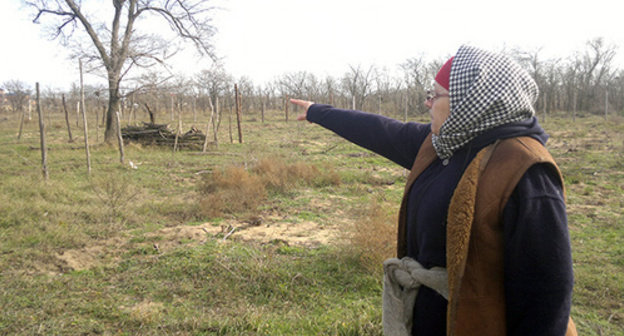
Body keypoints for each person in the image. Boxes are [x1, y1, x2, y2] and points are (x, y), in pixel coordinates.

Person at [290, 45, 576, 336]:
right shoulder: (443, 145)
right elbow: (382, 131)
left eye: (435, 95)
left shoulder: (525, 168)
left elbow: (548, 290)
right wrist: (317, 112)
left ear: (470, 101)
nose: (427, 103)